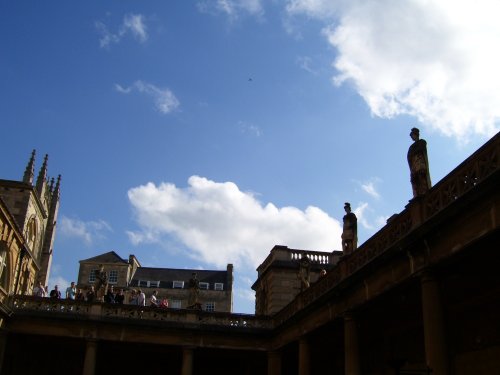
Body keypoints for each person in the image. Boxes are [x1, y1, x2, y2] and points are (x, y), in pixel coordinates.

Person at [407, 127, 432, 197]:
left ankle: (424, 191)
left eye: (412, 135)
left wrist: (413, 154)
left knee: (421, 176)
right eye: (411, 136)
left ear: (416, 134)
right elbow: (409, 155)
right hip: (414, 164)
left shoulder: (422, 142)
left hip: (420, 163)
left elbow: (420, 150)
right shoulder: (411, 147)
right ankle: (417, 194)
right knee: (414, 179)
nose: (412, 137)